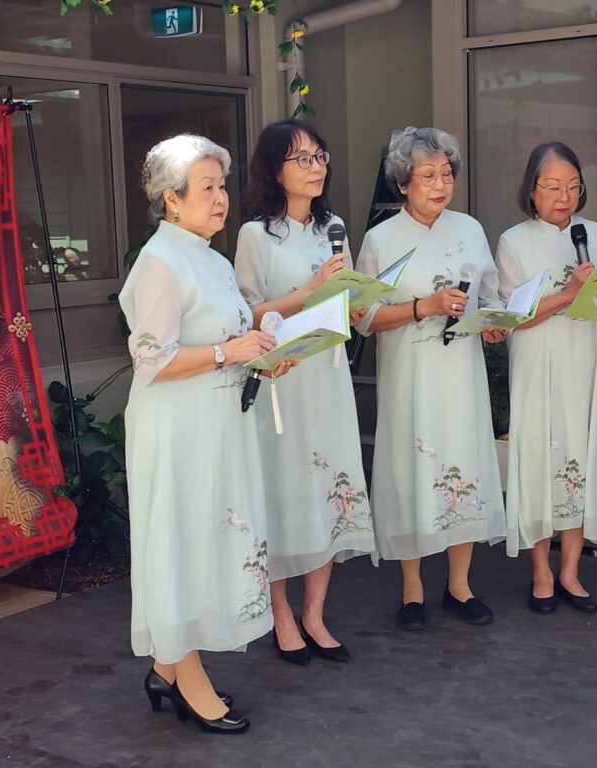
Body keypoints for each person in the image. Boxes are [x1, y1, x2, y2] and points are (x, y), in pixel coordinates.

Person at [119, 134, 294, 734]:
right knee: (185, 541)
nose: (221, 198)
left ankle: (165, 670)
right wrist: (230, 352)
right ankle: (187, 677)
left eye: (223, 186)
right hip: (176, 429)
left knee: (206, 537)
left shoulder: (213, 260)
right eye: (207, 188)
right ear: (171, 198)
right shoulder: (160, 262)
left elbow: (229, 340)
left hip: (216, 424)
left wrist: (261, 356)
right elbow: (152, 360)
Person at [234, 120, 375, 666]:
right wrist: (310, 290)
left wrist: (354, 304)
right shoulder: (255, 235)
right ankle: (281, 613)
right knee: (285, 489)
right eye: (302, 159)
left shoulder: (333, 228)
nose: (315, 168)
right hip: (283, 380)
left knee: (327, 487)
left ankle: (315, 613)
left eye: (320, 157)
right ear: (275, 171)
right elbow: (247, 314)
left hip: (328, 376)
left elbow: (347, 297)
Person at [356, 126, 507, 632]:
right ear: (403, 183)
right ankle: (412, 589)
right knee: (410, 470)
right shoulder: (380, 239)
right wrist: (424, 306)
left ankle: (460, 586)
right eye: (427, 175)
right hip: (410, 376)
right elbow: (364, 316)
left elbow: (491, 298)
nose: (441, 184)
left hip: (461, 372)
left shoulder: (470, 229)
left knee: (462, 462)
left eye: (446, 173)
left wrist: (494, 327)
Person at [496, 140, 597, 615]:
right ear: (532, 190)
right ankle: (541, 572)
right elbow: (514, 318)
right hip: (536, 363)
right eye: (552, 187)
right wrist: (570, 292)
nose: (564, 197)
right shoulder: (513, 241)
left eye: (573, 186)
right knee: (538, 459)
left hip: (583, 362)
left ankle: (571, 571)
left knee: (579, 458)